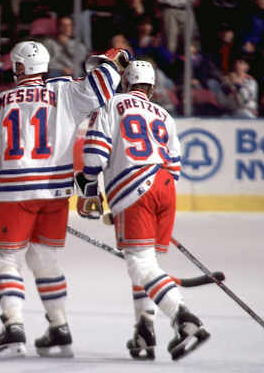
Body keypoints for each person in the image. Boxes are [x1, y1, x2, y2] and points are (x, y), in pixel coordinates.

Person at [0, 41, 131, 358]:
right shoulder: (64, 91)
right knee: (44, 259)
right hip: (58, 193)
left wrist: (4, 181)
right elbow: (103, 87)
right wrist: (110, 60)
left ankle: (13, 327)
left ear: (18, 68)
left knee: (5, 259)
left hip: (16, 192)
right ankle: (59, 327)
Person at [75, 60, 210, 361]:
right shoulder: (164, 114)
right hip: (164, 188)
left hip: (134, 187)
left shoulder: (111, 104)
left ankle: (185, 319)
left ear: (126, 83)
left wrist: (90, 191)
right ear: (151, 87)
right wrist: (139, 204)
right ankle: (145, 329)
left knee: (141, 266)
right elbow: (174, 167)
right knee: (146, 264)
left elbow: (95, 151)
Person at [214, 54, 258, 119]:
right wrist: (227, 87)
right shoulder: (227, 80)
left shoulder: (251, 82)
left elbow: (243, 100)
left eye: (241, 63)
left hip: (247, 112)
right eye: (236, 62)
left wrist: (237, 83)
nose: (238, 65)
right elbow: (221, 101)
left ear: (247, 67)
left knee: (243, 114)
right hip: (230, 113)